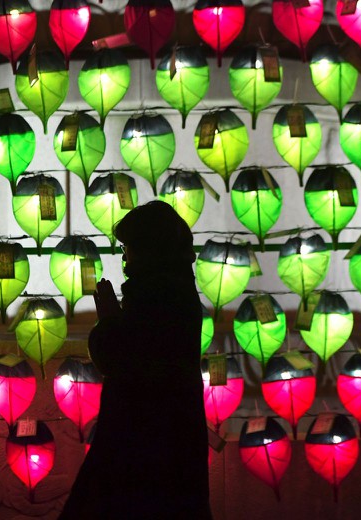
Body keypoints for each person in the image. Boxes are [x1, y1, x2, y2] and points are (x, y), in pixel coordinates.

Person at [60, 201, 212, 519]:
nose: (125, 257)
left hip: (140, 446)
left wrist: (109, 317)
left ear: (147, 249)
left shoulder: (154, 296)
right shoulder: (179, 291)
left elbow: (117, 358)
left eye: (128, 247)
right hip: (173, 444)